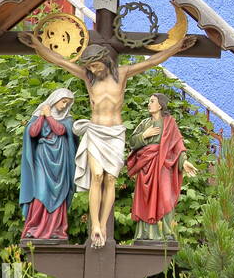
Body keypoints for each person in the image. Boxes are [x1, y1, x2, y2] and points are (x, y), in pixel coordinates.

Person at [18, 33, 194, 246]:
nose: (93, 70)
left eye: (95, 66)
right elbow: (59, 61)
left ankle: (102, 224)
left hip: (115, 134)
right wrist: (36, 44)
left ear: (104, 60)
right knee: (97, 176)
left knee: (111, 179)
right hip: (95, 131)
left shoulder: (122, 74)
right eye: (90, 67)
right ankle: (96, 228)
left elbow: (153, 61)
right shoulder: (88, 77)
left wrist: (177, 47)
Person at [125, 93, 196, 242]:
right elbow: (132, 142)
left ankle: (167, 232)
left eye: (152, 101)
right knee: (145, 198)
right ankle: (145, 234)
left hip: (164, 165)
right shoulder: (145, 123)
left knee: (165, 196)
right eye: (149, 101)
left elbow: (177, 145)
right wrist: (144, 135)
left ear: (160, 105)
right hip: (146, 165)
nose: (148, 104)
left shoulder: (170, 123)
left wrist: (184, 161)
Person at [19, 87, 77, 242]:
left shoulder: (67, 119)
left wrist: (49, 116)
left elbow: (59, 130)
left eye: (68, 103)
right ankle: (34, 227)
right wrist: (41, 117)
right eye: (63, 101)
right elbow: (32, 133)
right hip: (43, 157)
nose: (65, 106)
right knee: (40, 192)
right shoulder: (39, 115)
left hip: (61, 158)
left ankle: (56, 230)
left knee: (60, 192)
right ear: (55, 99)